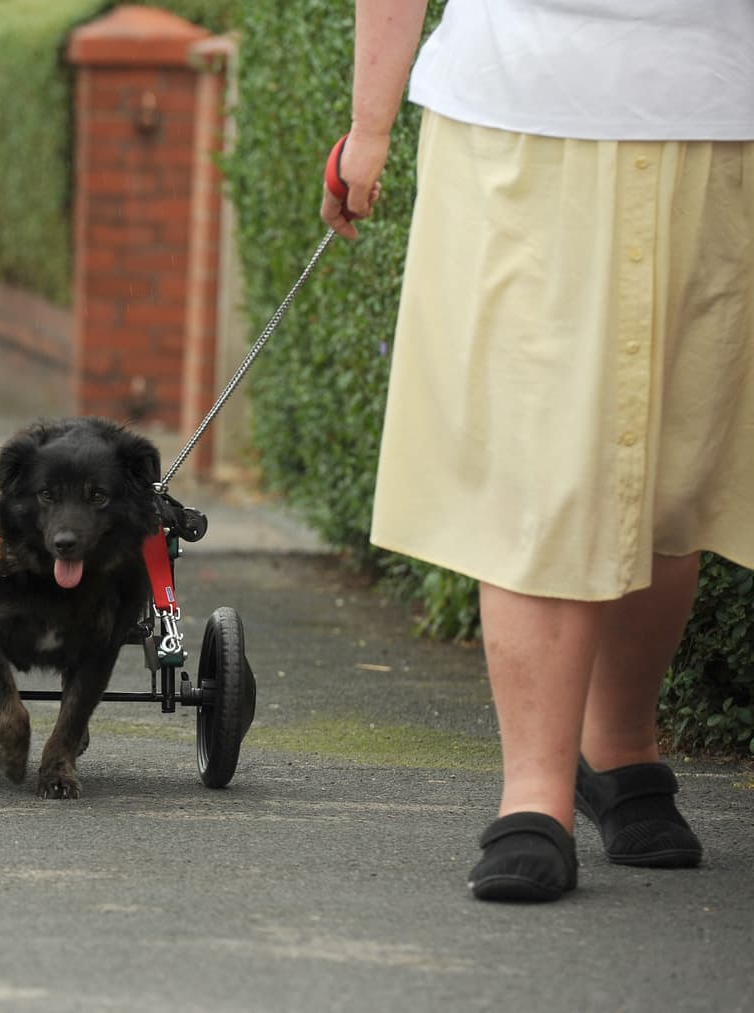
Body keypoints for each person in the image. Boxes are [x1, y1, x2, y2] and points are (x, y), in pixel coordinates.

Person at [320, 0, 754, 902]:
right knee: (535, 464)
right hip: (519, 125)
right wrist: (370, 126)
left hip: (721, 125)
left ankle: (622, 745)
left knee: (678, 477)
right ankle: (536, 797)